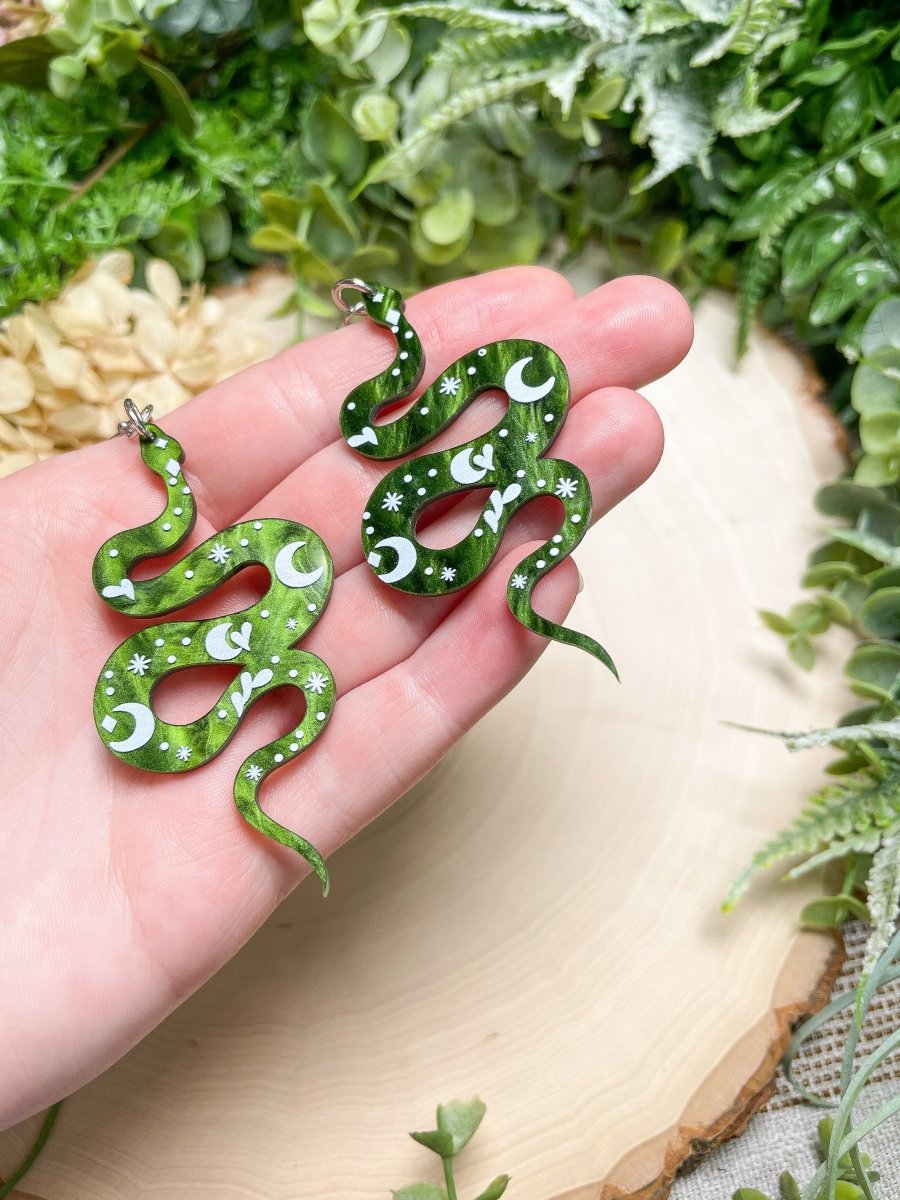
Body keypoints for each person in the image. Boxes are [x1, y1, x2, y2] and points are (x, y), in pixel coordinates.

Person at [0, 266, 692, 1129]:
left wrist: (404, 341)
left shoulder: (406, 423)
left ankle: (496, 496)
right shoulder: (133, 577)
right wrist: (175, 489)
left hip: (391, 506)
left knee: (433, 516)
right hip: (244, 631)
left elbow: (373, 425)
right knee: (288, 646)